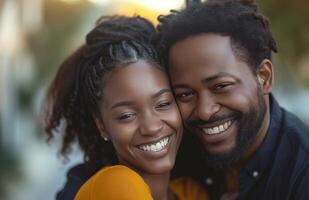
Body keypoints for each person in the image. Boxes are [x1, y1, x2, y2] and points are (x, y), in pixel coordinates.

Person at [154, 0, 309, 199]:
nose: (205, 111)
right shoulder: (177, 153)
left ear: (264, 77)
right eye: (185, 94)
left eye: (221, 86)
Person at [43, 15, 208, 200]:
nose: (151, 127)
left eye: (162, 104)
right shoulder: (116, 185)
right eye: (127, 115)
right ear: (102, 125)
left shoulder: (191, 193)